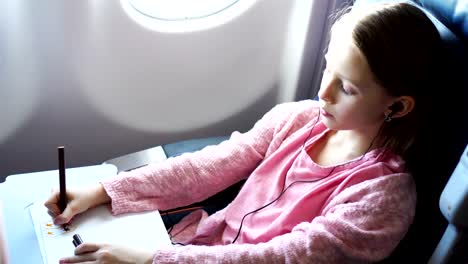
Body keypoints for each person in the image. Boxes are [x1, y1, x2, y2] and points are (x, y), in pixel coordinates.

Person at [46, 2, 443, 263]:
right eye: (327, 70)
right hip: (198, 249)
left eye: (347, 87)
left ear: (397, 106)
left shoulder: (381, 198)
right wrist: (102, 191)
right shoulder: (298, 119)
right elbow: (210, 167)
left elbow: (283, 257)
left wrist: (152, 260)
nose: (323, 93)